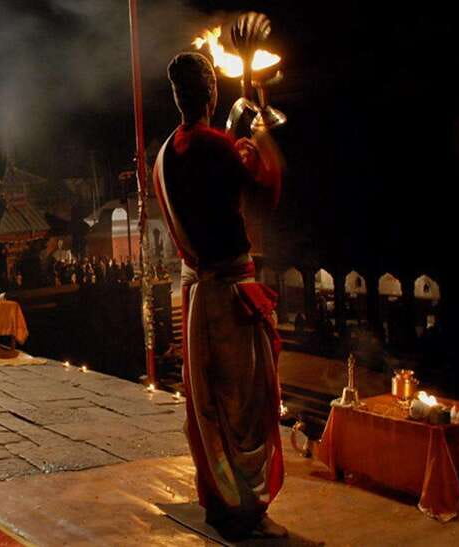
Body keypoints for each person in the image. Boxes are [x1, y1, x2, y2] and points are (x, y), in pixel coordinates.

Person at [152, 52, 285, 540]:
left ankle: (218, 500)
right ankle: (248, 509)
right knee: (246, 408)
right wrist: (260, 132)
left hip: (194, 295)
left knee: (205, 408)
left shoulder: (164, 154)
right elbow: (265, 186)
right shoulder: (216, 147)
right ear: (209, 93)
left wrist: (238, 138)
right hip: (228, 295)